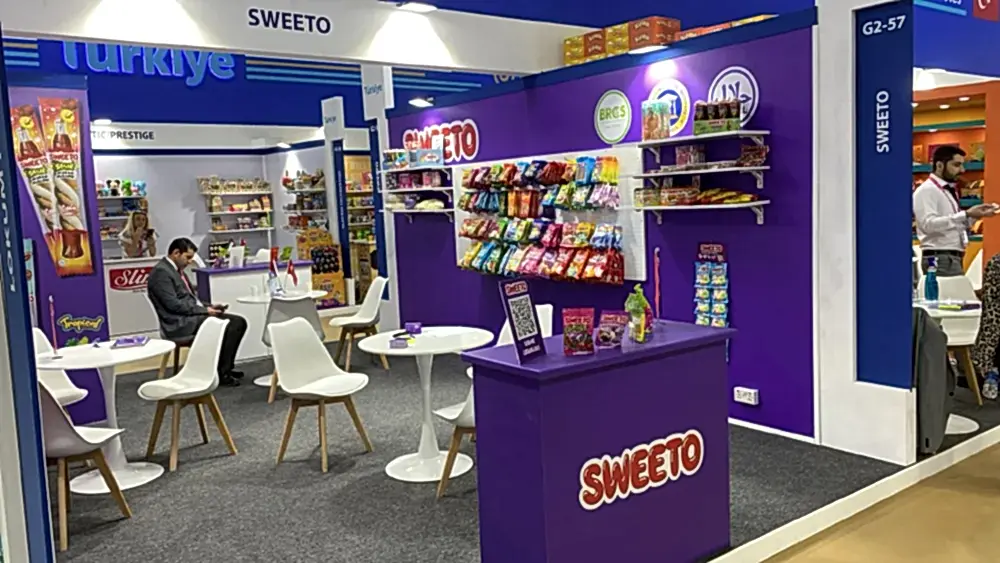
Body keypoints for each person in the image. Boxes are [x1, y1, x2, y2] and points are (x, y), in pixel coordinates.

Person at [147, 237, 247, 386]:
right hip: (178, 323)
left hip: (190, 316)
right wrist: (205, 310)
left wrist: (210, 306)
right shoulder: (161, 273)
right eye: (187, 257)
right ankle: (222, 371)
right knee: (233, 324)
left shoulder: (175, 271)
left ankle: (223, 368)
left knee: (236, 322)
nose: (189, 262)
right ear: (176, 253)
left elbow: (190, 299)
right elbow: (173, 305)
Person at [913, 145, 997, 277]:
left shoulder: (948, 190)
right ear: (939, 165)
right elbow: (928, 225)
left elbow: (954, 225)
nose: (962, 170)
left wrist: (976, 215)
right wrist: (966, 214)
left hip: (952, 257)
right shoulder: (926, 191)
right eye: (956, 165)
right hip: (939, 257)